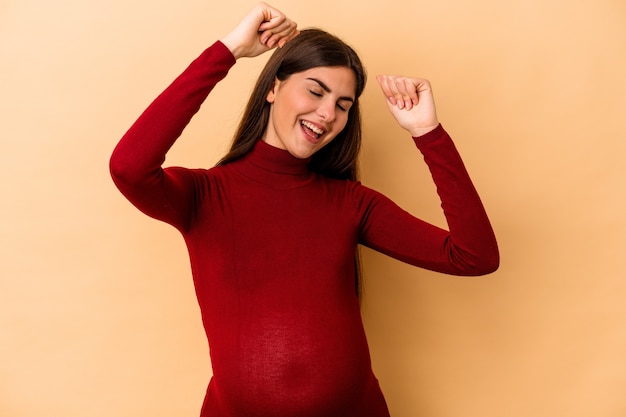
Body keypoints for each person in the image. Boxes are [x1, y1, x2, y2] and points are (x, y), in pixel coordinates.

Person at [109, 3, 499, 416]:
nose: (328, 114)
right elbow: (129, 168)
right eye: (315, 91)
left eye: (344, 104)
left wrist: (428, 133)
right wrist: (229, 50)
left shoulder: (350, 202)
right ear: (273, 88)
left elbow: (473, 256)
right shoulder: (205, 195)